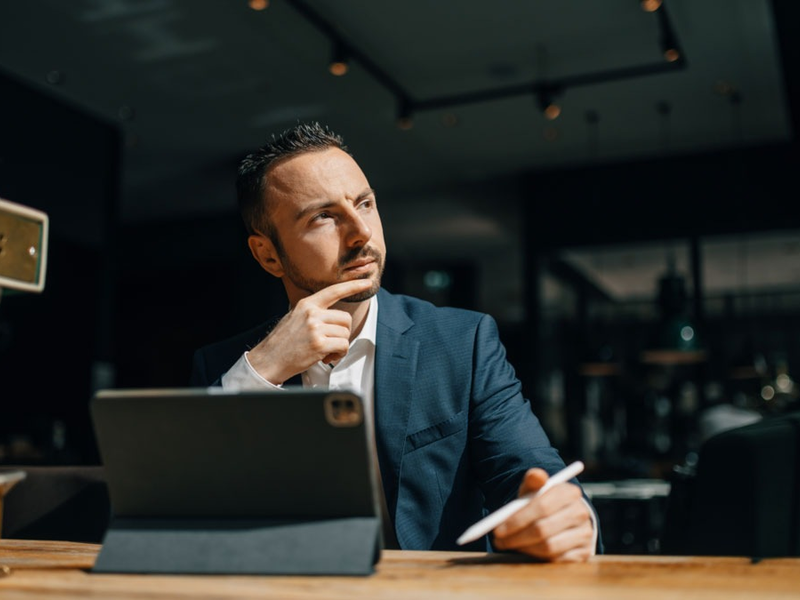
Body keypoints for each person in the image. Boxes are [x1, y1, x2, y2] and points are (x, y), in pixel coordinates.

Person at [190, 121, 600, 561]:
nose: (361, 232)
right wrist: (262, 371)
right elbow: (188, 512)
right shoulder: (226, 368)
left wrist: (566, 518)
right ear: (268, 255)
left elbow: (529, 470)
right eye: (323, 216)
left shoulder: (462, 342)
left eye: (364, 204)